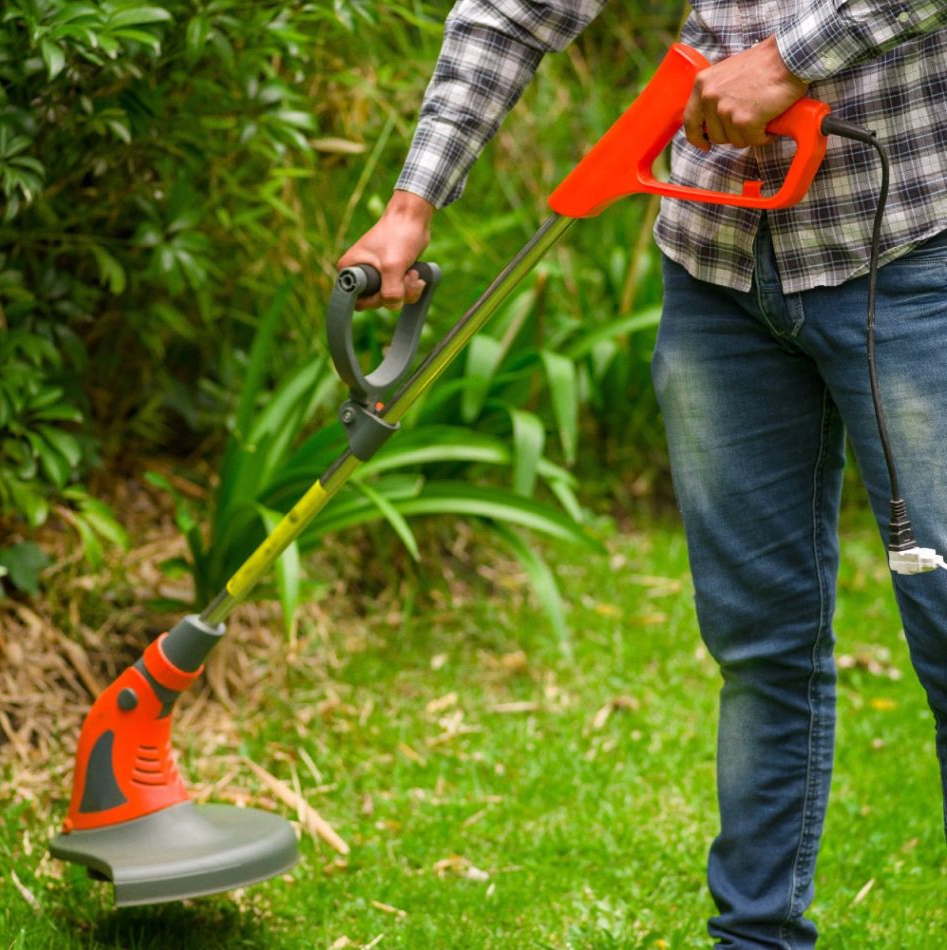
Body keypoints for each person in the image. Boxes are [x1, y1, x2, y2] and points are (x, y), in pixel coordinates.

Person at [338, 2, 947, 945]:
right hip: (718, 271)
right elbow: (514, 10)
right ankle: (753, 937)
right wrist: (409, 206)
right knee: (760, 643)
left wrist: (791, 61)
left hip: (911, 252)